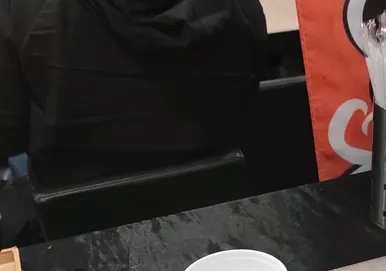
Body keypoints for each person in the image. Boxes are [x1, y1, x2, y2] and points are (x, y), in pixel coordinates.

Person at [0, 0, 268, 188]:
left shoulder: (25, 8)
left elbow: (10, 134)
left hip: (72, 219)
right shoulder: (241, 8)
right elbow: (251, 100)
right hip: (216, 205)